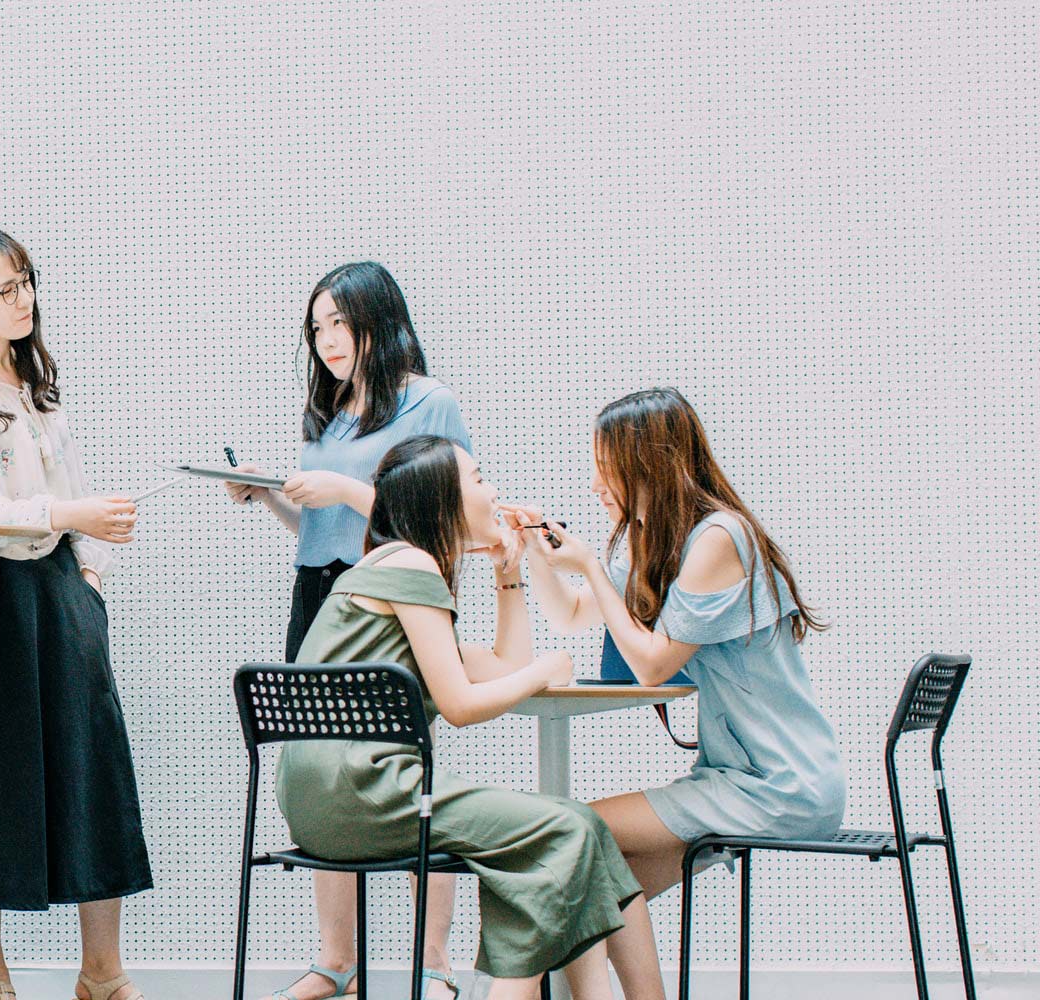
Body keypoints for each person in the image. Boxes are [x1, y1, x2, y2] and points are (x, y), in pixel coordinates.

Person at [275, 435, 661, 1000]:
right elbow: (461, 705)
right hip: (366, 791)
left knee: (585, 832)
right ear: (442, 500)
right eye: (479, 479)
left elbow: (505, 664)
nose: (493, 491)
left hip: (324, 796)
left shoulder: (386, 565)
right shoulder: (412, 564)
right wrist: (549, 669)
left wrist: (509, 574)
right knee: (565, 830)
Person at [521, 387, 843, 994]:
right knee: (598, 876)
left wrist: (592, 565)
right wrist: (538, 557)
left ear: (645, 463)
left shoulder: (720, 537)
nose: (595, 484)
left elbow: (651, 667)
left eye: (603, 466)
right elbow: (569, 615)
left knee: (578, 830)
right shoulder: (669, 543)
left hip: (780, 784)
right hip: (737, 776)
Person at [0, 224, 152, 1000]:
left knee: (92, 774)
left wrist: (89, 577)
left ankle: (103, 974)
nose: (24, 300)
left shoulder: (36, 380)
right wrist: (70, 514)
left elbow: (70, 493)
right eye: (4, 289)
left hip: (60, 594)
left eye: (28, 282)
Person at [226, 262, 469, 1000]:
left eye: (341, 323)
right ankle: (338, 961)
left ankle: (434, 966)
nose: (328, 340)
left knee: (406, 762)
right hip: (320, 594)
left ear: (379, 319)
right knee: (325, 765)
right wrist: (272, 497)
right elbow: (322, 527)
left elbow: (449, 517)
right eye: (317, 327)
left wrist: (344, 487)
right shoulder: (330, 413)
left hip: (397, 592)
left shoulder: (429, 402)